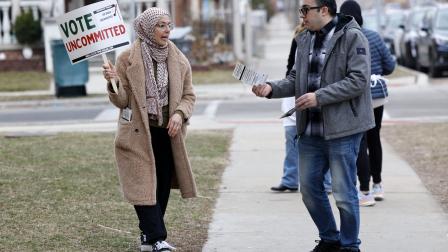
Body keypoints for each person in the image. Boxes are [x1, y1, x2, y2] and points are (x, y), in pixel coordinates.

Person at [252, 0, 374, 251]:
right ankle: (330, 239)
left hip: (344, 128)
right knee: (308, 189)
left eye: (305, 9)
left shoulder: (352, 37)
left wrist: (319, 96)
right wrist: (271, 88)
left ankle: (350, 245)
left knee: (343, 193)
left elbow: (358, 80)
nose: (302, 15)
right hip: (310, 129)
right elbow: (296, 79)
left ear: (324, 10)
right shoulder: (304, 39)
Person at [102, 7, 196, 252]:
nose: (167, 31)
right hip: (137, 134)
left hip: (168, 133)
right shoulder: (126, 59)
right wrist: (113, 82)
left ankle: (148, 239)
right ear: (146, 28)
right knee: (143, 185)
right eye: (161, 25)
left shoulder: (179, 59)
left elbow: (188, 96)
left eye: (168, 25)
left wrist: (179, 113)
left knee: (161, 185)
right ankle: (157, 237)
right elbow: (122, 101)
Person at [340, 0, 396, 206]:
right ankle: (378, 185)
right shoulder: (373, 36)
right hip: (377, 95)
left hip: (355, 95)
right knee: (375, 138)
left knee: (360, 142)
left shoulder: (343, 38)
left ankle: (363, 189)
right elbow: (389, 66)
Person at [272, 24, 332, 193]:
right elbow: (291, 68)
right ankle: (290, 179)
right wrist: (275, 88)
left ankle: (326, 183)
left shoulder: (326, 40)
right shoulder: (300, 39)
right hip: (296, 95)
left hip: (318, 99)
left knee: (321, 143)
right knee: (291, 137)